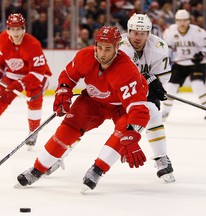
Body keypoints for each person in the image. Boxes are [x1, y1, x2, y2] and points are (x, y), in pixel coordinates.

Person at [16, 26, 150, 193]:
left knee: (124, 135)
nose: (102, 53)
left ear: (117, 48)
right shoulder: (85, 56)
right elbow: (68, 75)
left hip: (120, 107)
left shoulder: (126, 69)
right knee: (68, 129)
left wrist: (133, 134)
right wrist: (63, 91)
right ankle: (37, 169)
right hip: (93, 101)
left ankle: (97, 170)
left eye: (108, 49)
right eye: (99, 47)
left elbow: (138, 109)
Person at [119, 13, 175, 183]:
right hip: (118, 90)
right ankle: (58, 153)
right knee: (83, 118)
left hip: (141, 92)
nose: (138, 37)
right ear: (128, 31)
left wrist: (153, 82)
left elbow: (163, 76)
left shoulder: (158, 46)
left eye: (143, 33)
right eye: (135, 32)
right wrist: (143, 79)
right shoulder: (118, 45)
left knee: (153, 114)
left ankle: (161, 158)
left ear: (149, 33)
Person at [0, 13, 52, 150]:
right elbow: (1, 63)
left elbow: (37, 73)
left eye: (19, 29)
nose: (16, 33)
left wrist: (19, 84)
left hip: (37, 75)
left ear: (24, 29)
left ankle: (33, 131)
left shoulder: (33, 44)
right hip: (13, 74)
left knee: (34, 98)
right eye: (12, 29)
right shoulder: (2, 39)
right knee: (1, 97)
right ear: (8, 29)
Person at [161, 9, 206, 123]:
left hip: (197, 63)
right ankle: (165, 112)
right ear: (176, 21)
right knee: (170, 87)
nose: (182, 23)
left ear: (189, 21)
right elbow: (166, 47)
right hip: (180, 63)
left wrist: (202, 54)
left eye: (185, 20)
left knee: (197, 85)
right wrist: (168, 56)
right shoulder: (170, 31)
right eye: (180, 21)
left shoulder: (198, 32)